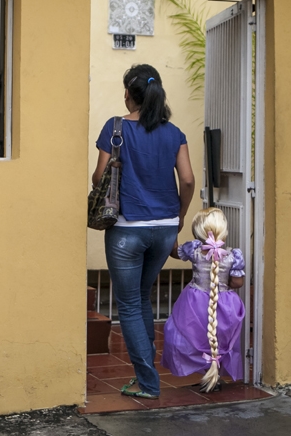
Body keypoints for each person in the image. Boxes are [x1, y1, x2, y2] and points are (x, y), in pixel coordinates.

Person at [92, 64, 195, 400]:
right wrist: (178, 218)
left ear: (128, 93)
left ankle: (148, 383)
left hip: (127, 230)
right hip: (164, 229)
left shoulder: (116, 127)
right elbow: (189, 179)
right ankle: (146, 374)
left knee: (130, 305)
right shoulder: (175, 133)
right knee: (142, 297)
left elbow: (99, 177)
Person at [161, 207, 245, 392]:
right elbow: (238, 282)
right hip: (225, 304)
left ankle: (203, 371)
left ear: (198, 231)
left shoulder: (194, 250)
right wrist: (224, 282)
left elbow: (174, 252)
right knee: (220, 339)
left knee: (188, 335)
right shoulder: (233, 255)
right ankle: (215, 374)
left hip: (194, 303)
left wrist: (174, 226)